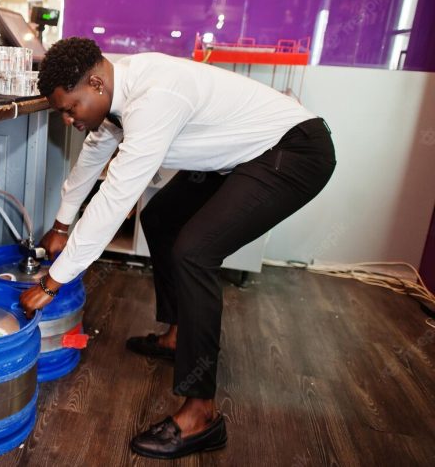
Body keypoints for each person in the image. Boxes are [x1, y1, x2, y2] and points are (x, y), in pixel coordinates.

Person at [19, 37, 335, 460]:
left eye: (69, 108)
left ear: (94, 83)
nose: (67, 119)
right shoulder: (114, 90)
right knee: (162, 218)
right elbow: (93, 157)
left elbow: (117, 196)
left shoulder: (155, 98)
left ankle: (201, 413)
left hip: (294, 151)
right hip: (242, 156)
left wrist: (54, 281)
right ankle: (177, 335)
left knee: (195, 252)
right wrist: (61, 224)